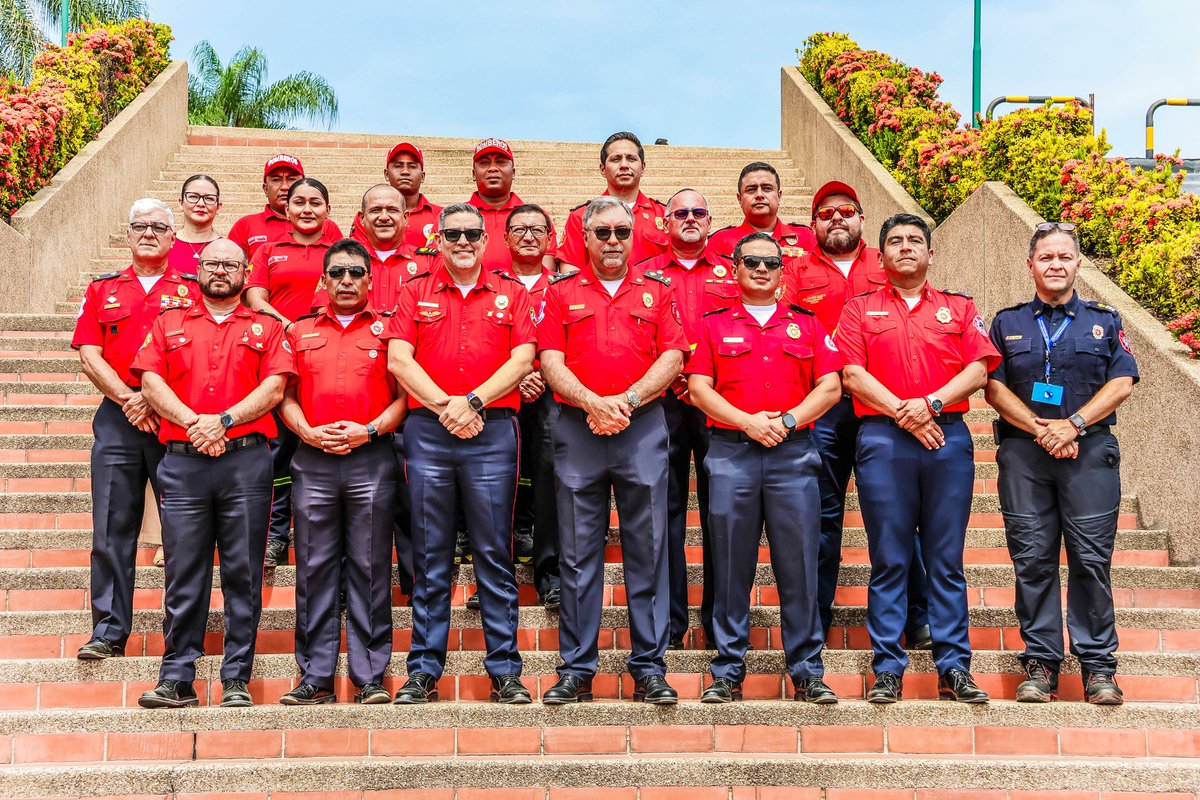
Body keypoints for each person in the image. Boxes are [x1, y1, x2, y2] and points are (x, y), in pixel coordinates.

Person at [835, 213, 1000, 704]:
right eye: (895, 242)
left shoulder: (959, 307)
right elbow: (851, 375)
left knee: (946, 561)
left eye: (914, 241)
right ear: (880, 256)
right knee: (890, 558)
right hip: (883, 442)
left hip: (946, 440)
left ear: (931, 254)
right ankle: (888, 667)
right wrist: (908, 413)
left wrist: (930, 404)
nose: (905, 247)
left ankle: (955, 667)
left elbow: (979, 370)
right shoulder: (859, 309)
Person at [538, 196, 688, 705]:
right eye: (601, 232)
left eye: (622, 232)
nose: (612, 241)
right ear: (583, 237)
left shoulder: (657, 292)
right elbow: (550, 360)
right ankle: (576, 669)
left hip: (641, 427)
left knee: (647, 550)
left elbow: (673, 355)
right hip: (578, 430)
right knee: (578, 555)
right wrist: (590, 403)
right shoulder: (560, 293)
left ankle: (649, 666)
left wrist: (623, 401)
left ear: (634, 236)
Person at [132, 238, 293, 708]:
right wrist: (192, 422)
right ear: (197, 268)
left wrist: (222, 421)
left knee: (243, 572)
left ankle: (237, 677)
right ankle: (177, 676)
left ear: (246, 273)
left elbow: (276, 386)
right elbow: (150, 380)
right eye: (212, 263)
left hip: (245, 461)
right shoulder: (170, 320)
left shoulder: (266, 326)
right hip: (183, 462)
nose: (220, 270)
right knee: (184, 571)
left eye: (231, 264)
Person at [385, 203, 535, 705]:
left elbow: (524, 358)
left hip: (492, 432)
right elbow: (398, 358)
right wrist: (445, 405)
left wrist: (471, 402)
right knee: (430, 558)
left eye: (473, 233)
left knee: (494, 554)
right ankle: (423, 671)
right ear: (440, 240)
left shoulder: (511, 293)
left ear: (486, 239)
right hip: (429, 432)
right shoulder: (414, 291)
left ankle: (505, 671)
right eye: (454, 234)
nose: (465, 241)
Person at [985, 222, 1137, 705]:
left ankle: (1098, 668)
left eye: (1064, 257)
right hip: (1025, 455)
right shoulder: (1007, 322)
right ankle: (1041, 664)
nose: (1055, 265)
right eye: (1045, 257)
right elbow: (991, 386)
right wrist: (1041, 429)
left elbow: (1123, 381)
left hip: (1089, 452)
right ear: (1030, 264)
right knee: (1032, 559)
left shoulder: (1104, 320)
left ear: (1077, 264)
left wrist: (1071, 425)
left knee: (1091, 560)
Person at [687, 232, 843, 703]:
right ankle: (728, 670)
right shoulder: (712, 325)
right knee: (732, 566)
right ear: (734, 268)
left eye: (771, 263)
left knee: (798, 566)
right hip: (732, 452)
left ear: (782, 271)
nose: (761, 269)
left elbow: (831, 386)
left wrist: (790, 420)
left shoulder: (808, 324)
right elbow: (698, 389)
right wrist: (748, 423)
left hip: (792, 455)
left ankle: (807, 671)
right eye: (751, 261)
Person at [781, 181, 931, 649]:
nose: (837, 218)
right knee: (821, 520)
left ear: (863, 219)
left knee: (898, 518)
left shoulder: (886, 261)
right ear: (813, 225)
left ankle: (919, 616)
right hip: (822, 410)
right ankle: (816, 619)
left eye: (846, 210)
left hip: (881, 410)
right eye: (826, 213)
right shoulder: (792, 268)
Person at [277, 238, 407, 706]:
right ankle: (314, 677)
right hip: (313, 460)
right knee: (313, 566)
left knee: (371, 565)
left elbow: (403, 400)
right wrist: (307, 433)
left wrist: (369, 430)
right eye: (337, 273)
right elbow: (284, 396)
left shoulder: (390, 332)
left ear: (371, 280)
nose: (347, 280)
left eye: (356, 273)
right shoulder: (298, 331)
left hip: (370, 458)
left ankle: (369, 676)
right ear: (323, 280)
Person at [71, 199, 199, 660]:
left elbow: (201, 350)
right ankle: (107, 631)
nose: (148, 233)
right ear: (127, 235)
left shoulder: (193, 289)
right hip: (118, 418)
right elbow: (89, 353)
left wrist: (154, 399)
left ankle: (181, 637)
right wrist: (129, 400)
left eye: (159, 227)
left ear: (172, 237)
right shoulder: (103, 288)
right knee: (111, 527)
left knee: (183, 531)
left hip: (174, 418)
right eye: (139, 226)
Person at [636, 188, 736, 649]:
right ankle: (671, 624)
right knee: (666, 513)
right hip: (663, 404)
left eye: (699, 211)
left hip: (719, 403)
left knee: (722, 513)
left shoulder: (735, 272)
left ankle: (719, 622)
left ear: (711, 219)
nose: (690, 218)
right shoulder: (644, 274)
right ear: (665, 222)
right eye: (680, 212)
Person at [246, 177, 338, 568]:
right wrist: (287, 326)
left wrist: (305, 332)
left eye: (315, 202)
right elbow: (254, 296)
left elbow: (331, 298)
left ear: (327, 211)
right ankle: (276, 534)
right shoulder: (269, 250)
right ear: (286, 209)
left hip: (324, 352)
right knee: (279, 448)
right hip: (279, 351)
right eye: (298, 201)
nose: (306, 209)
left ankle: (315, 532)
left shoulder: (337, 251)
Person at [503, 203, 561, 607]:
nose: (528, 236)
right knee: (496, 487)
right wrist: (517, 377)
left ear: (549, 238)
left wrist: (541, 373)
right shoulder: (491, 284)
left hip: (552, 396)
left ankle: (550, 574)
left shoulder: (564, 285)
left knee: (550, 485)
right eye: (519, 229)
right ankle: (498, 580)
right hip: (501, 395)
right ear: (504, 238)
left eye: (537, 229)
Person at [557, 132, 668, 270]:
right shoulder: (580, 216)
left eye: (631, 159)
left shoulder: (666, 215)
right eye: (615, 159)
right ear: (603, 169)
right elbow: (570, 270)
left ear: (643, 167)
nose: (624, 165)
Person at [466, 138, 556, 273]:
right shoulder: (454, 218)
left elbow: (544, 271)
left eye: (501, 162)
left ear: (513, 172)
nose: (492, 168)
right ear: (474, 174)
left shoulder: (537, 218)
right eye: (484, 163)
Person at [227, 154, 342, 258]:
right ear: (265, 188)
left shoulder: (328, 227)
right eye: (276, 180)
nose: (285, 187)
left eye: (291, 179)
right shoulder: (245, 226)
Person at [349, 184, 436, 313]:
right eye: (375, 210)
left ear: (405, 217)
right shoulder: (345, 262)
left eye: (392, 210)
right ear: (362, 218)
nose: (384, 217)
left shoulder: (429, 263)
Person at [706, 161, 816, 262]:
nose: (759, 195)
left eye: (767, 188)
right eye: (751, 189)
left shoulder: (806, 237)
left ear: (779, 196)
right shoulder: (720, 241)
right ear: (740, 199)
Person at [383, 141, 442, 252]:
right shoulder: (370, 217)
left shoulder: (442, 216)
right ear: (386, 174)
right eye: (398, 166)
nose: (405, 171)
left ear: (423, 176)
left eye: (412, 166)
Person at [167, 175, 222, 272]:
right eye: (193, 197)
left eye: (209, 198)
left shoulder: (225, 249)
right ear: (181, 203)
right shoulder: (165, 244)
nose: (201, 204)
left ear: (218, 207)